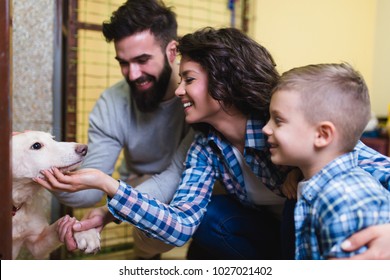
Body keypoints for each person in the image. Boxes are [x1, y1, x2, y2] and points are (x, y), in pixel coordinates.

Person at [37, 28, 390, 260]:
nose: (178, 91)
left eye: (188, 79)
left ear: (223, 83)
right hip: (273, 240)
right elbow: (180, 223)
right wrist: (107, 190)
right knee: (210, 220)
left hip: (315, 232)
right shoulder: (206, 145)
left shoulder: (288, 124)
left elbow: (377, 170)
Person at [53, 0, 194, 259]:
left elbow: (177, 176)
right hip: (139, 184)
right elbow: (92, 187)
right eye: (124, 63)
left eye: (142, 60)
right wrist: (45, 173)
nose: (132, 74)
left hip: (195, 185)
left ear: (172, 51)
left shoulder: (197, 96)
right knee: (152, 237)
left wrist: (110, 211)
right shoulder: (112, 102)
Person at [262, 63, 390, 259]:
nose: (265, 129)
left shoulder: (344, 199)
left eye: (278, 120)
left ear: (322, 135)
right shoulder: (318, 187)